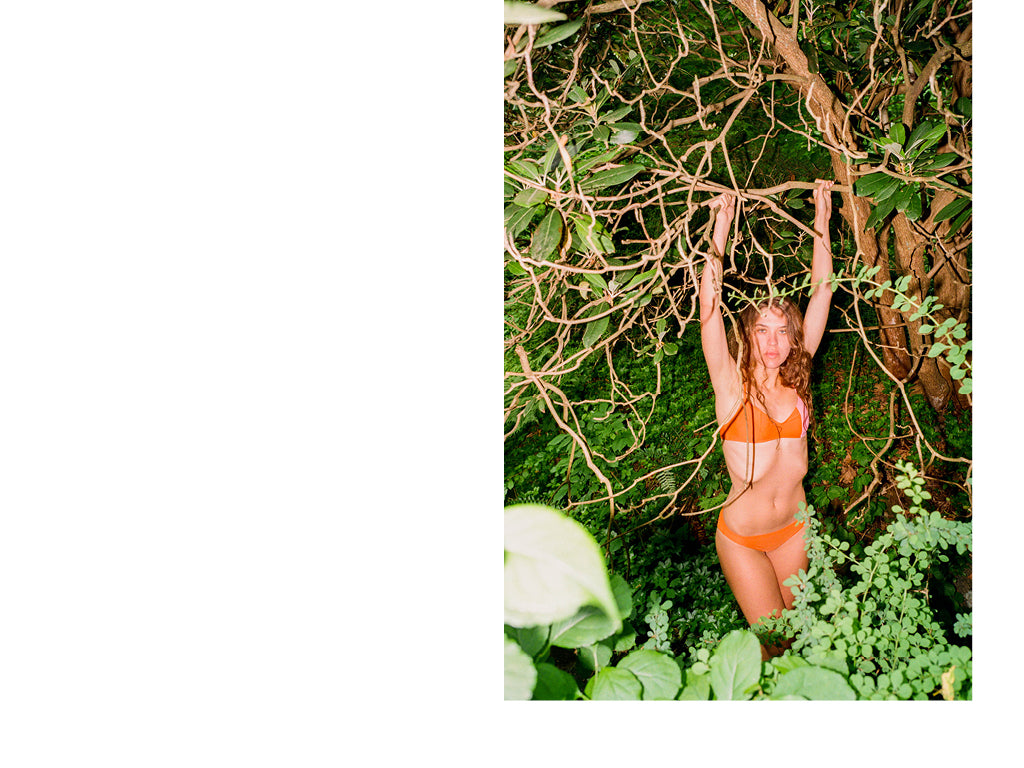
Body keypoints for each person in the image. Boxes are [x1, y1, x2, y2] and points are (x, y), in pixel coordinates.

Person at [698, 179, 835, 658]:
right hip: (744, 540)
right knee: (776, 646)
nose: (773, 343)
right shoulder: (730, 385)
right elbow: (709, 309)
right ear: (749, 335)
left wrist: (822, 218)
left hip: (795, 532)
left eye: (783, 331)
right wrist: (722, 222)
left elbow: (821, 293)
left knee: (806, 634)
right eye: (763, 330)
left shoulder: (798, 382)